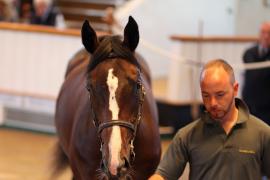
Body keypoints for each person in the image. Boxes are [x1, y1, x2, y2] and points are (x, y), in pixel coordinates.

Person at [149, 59, 270, 180]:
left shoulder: (262, 134)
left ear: (235, 89)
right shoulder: (187, 135)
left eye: (220, 95)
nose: (212, 103)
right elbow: (162, 176)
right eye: (206, 95)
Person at [242, 22, 270, 126]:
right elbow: (254, 76)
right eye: (263, 32)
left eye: (269, 33)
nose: (266, 36)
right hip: (249, 106)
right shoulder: (249, 53)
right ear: (259, 34)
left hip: (267, 108)